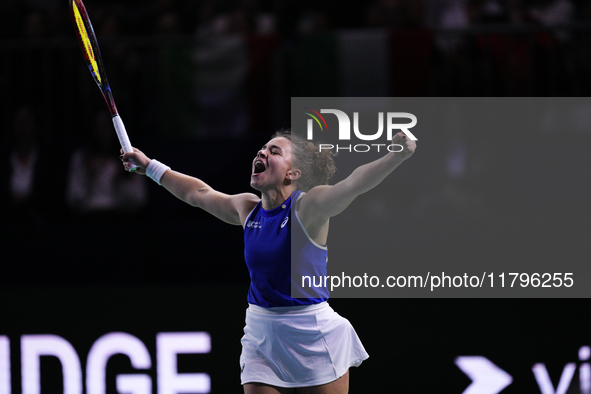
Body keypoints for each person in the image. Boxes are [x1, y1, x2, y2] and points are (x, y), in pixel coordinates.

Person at [120, 128, 416, 393]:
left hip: (312, 332)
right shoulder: (247, 209)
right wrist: (149, 168)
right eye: (262, 148)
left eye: (275, 151)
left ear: (293, 173)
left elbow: (352, 184)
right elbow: (199, 193)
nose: (262, 152)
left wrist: (395, 157)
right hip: (263, 334)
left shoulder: (308, 208)